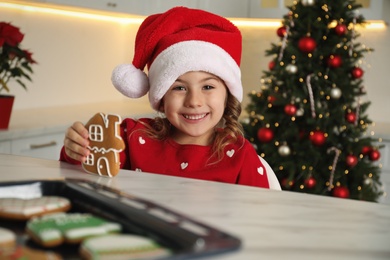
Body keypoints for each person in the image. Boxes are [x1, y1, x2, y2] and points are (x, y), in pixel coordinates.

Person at [60, 6, 272, 189]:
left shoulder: (240, 157)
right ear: (161, 96)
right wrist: (77, 149)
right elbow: (84, 174)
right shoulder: (130, 138)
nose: (194, 101)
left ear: (227, 94)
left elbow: (258, 217)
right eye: (179, 88)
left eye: (207, 86)